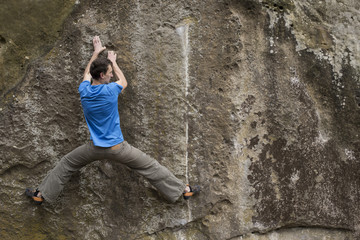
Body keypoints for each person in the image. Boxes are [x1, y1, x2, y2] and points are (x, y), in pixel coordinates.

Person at [25, 36, 199, 204]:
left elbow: (87, 74)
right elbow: (123, 81)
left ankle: (42, 194)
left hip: (94, 148)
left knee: (67, 163)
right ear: (102, 75)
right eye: (108, 74)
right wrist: (114, 62)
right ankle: (183, 190)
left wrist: (96, 53)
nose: (111, 77)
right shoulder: (110, 90)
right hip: (118, 148)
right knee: (150, 166)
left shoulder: (84, 91)